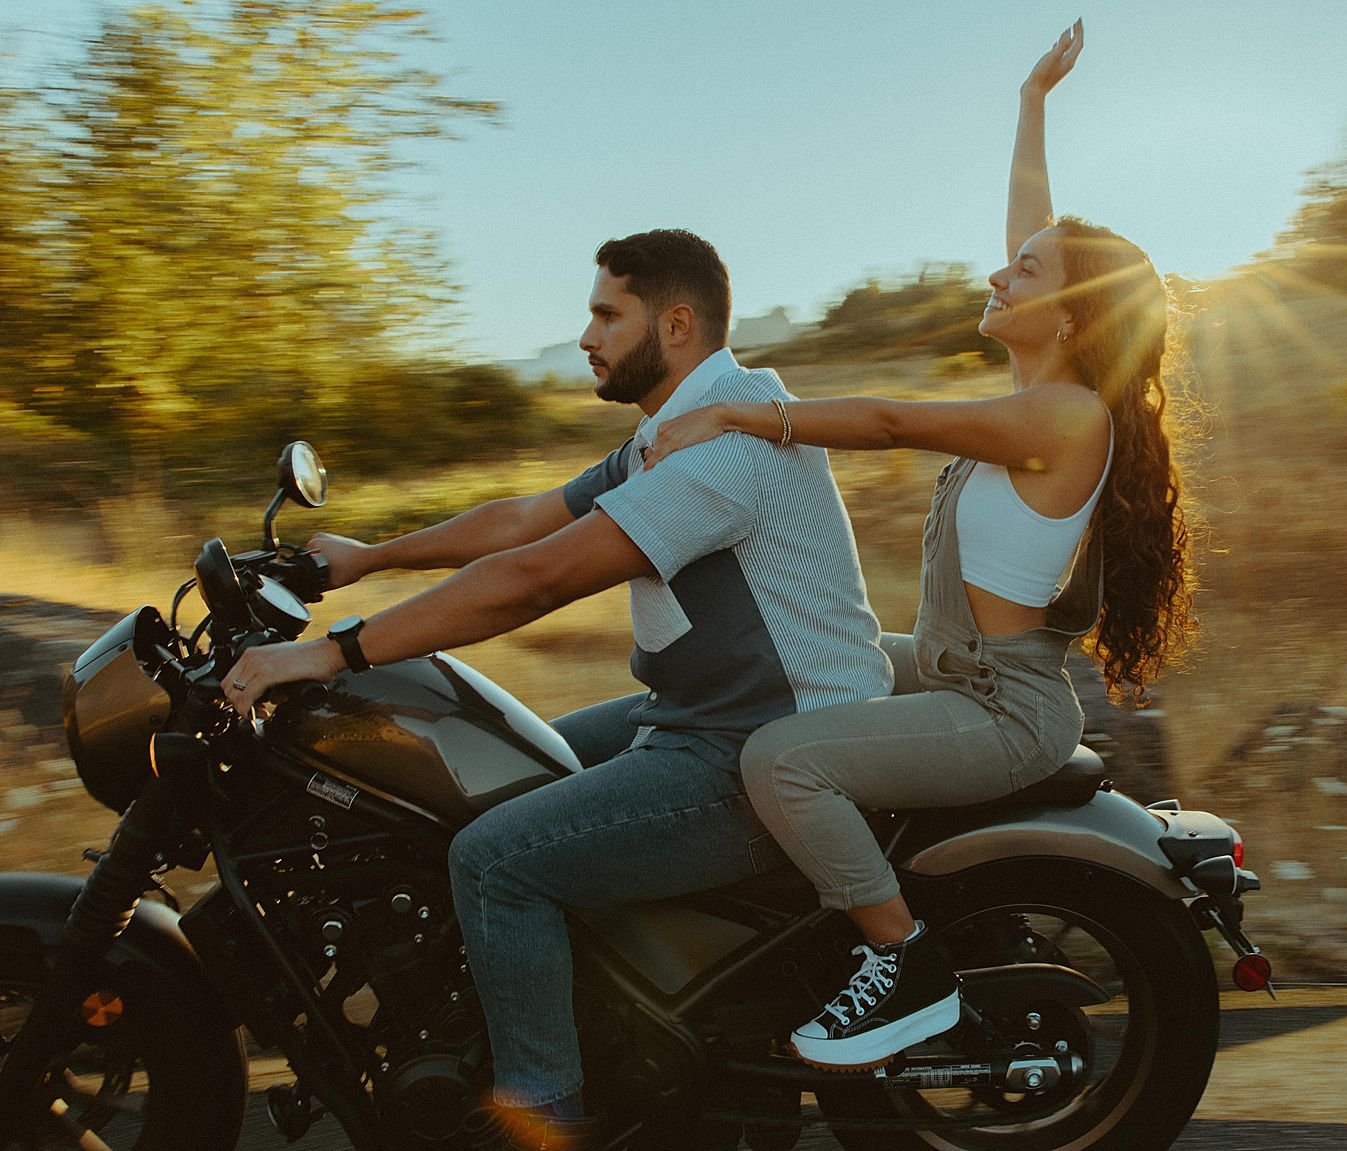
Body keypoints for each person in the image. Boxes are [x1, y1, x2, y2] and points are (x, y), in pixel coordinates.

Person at [222, 229, 893, 1150]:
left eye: (606, 314)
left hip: (768, 753)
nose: (586, 335)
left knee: (495, 860)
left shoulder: (727, 447)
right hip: (701, 722)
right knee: (493, 776)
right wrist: (372, 556)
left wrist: (334, 655)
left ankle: (544, 1115)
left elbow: (537, 577)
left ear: (679, 323)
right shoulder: (680, 428)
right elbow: (526, 518)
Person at [644, 20, 1197, 1072]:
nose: (997, 277)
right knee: (791, 664)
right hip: (951, 668)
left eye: (1020, 275)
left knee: (782, 758)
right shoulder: (1047, 390)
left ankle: (903, 959)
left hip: (1002, 708)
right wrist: (1032, 102)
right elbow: (1036, 231)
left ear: (1071, 316)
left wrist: (740, 417)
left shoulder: (1067, 419)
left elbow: (895, 422)